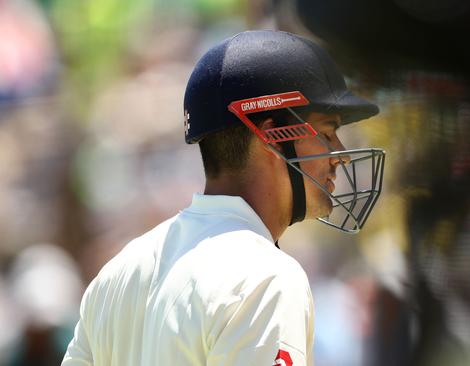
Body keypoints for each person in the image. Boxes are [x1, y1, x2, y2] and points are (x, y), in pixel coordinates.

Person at [62, 30, 385, 366]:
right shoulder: (266, 278)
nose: (341, 154)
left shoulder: (118, 273)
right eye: (328, 132)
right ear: (273, 137)